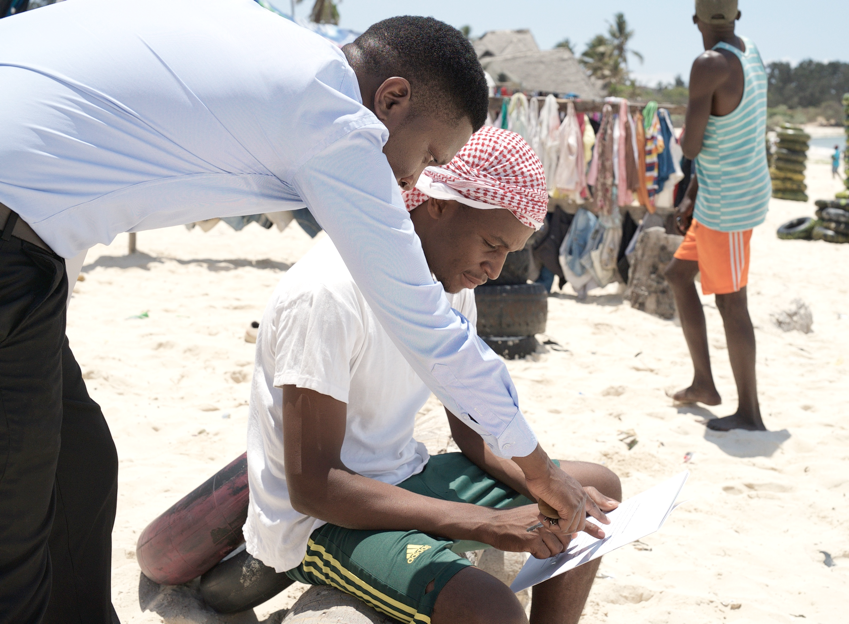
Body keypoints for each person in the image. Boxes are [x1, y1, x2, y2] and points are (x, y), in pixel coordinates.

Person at [0, 1, 599, 621]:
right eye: (426, 156)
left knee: (82, 469)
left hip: (31, 248)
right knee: (14, 512)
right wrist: (535, 469)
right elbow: (424, 327)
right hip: (10, 244)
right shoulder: (333, 121)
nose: (413, 179)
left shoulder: (279, 60)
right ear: (391, 100)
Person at [245, 127, 621, 624]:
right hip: (323, 519)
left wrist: (547, 489)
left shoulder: (450, 281)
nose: (494, 269)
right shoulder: (328, 291)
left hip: (404, 477)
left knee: (590, 489)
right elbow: (314, 487)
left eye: (508, 252)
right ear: (437, 204)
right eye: (490, 243)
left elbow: (470, 430)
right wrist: (489, 523)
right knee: (493, 610)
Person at [664, 0, 771, 432]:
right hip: (729, 190)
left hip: (728, 202)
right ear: (737, 16)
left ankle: (750, 413)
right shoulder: (752, 51)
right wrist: (692, 190)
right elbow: (730, 133)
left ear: (696, 20)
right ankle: (704, 383)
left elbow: (691, 147)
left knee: (731, 301)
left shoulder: (708, 64)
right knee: (677, 275)